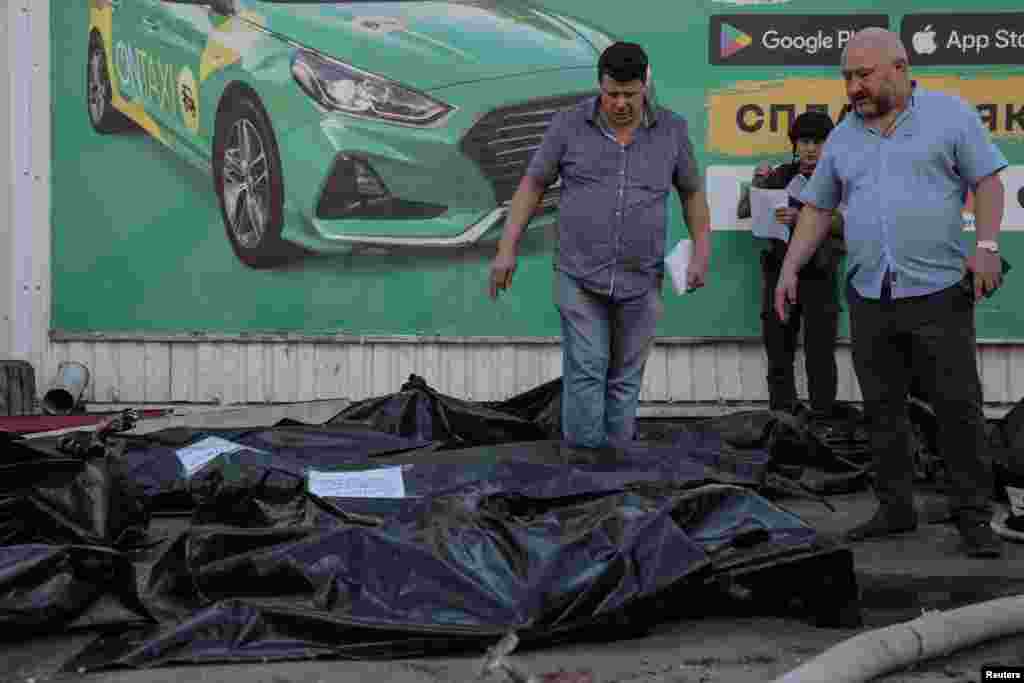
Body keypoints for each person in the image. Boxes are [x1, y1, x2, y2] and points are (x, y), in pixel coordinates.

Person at [774, 28, 1007, 557]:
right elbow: (817, 208)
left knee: (957, 407)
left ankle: (973, 517)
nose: (854, 87)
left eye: (864, 75)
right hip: (869, 293)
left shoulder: (950, 116)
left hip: (939, 291)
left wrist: (988, 246)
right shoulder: (844, 136)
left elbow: (989, 181)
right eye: (847, 77)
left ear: (899, 68)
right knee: (881, 408)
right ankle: (895, 508)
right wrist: (790, 268)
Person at [488, 41, 711, 450]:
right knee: (587, 369)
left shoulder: (672, 131)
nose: (621, 103)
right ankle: (584, 470)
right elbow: (532, 184)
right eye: (612, 94)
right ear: (599, 86)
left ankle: (617, 467)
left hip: (641, 279)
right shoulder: (567, 125)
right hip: (578, 275)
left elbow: (692, 193)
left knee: (625, 378)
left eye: (630, 94)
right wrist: (507, 249)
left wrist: (702, 251)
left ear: (645, 84)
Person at [737, 111, 844, 416]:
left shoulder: (839, 177)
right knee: (779, 352)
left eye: (819, 142)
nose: (811, 149)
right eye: (805, 141)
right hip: (777, 273)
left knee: (820, 353)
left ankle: (823, 419)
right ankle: (782, 419)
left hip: (821, 276)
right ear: (796, 145)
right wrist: (757, 184)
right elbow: (744, 211)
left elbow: (849, 224)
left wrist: (804, 220)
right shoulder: (781, 174)